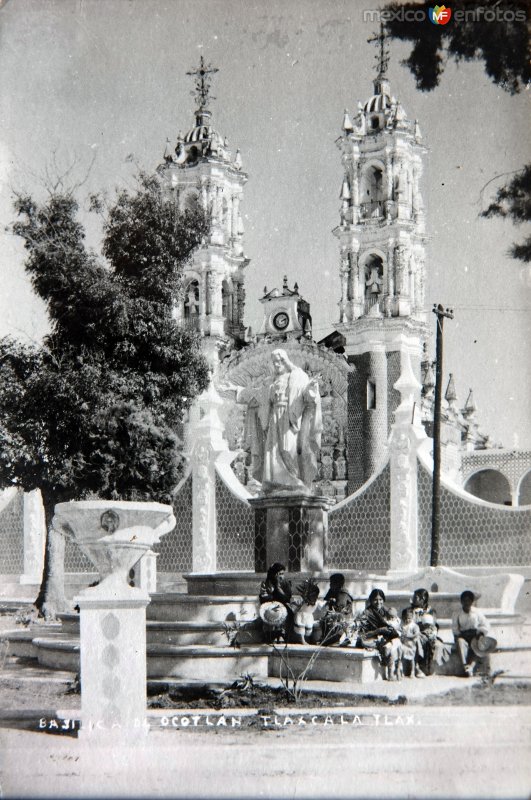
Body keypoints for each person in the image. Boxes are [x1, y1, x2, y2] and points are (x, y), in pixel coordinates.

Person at [218, 349, 322, 495]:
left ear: (286, 361)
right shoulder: (271, 381)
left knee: (288, 449)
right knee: (271, 451)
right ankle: (275, 483)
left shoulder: (297, 376)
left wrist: (312, 389)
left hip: (289, 420)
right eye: (275, 362)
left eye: (280, 361)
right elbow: (256, 394)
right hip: (274, 419)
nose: (277, 364)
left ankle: (294, 480)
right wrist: (235, 389)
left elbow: (307, 396)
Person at [356, 589, 402, 681]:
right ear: (371, 600)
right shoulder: (366, 613)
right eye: (375, 599)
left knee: (395, 644)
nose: (378, 602)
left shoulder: (386, 611)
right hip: (370, 639)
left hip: (385, 638)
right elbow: (363, 634)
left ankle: (395, 671)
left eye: (380, 599)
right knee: (387, 646)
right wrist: (379, 630)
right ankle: (390, 672)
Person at [452, 590, 494, 677]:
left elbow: (485, 624)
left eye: (468, 600)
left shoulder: (477, 612)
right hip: (463, 636)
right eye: (464, 600)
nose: (466, 603)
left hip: (475, 635)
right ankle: (464, 666)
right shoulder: (457, 613)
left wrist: (481, 632)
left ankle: (471, 666)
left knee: (477, 644)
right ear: (461, 601)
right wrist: (460, 635)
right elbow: (455, 628)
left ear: (472, 601)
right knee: (460, 642)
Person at [409, 588, 442, 677]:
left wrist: (431, 634)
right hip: (416, 634)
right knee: (418, 641)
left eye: (415, 597)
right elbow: (408, 624)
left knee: (437, 645)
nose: (413, 599)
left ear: (423, 598)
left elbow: (434, 626)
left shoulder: (431, 611)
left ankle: (430, 667)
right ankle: (417, 667)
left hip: (429, 634)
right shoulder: (410, 611)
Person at [258, 562, 293, 643]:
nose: (281, 576)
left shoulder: (285, 583)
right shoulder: (267, 583)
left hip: (283, 606)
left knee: (287, 613)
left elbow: (287, 598)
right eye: (279, 574)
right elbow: (263, 599)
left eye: (282, 574)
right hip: (270, 606)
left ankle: (282, 634)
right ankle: (272, 635)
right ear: (274, 574)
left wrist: (277, 587)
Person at [320, 573, 354, 646]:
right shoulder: (334, 591)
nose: (330, 585)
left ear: (337, 584)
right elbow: (327, 599)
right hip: (337, 615)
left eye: (331, 583)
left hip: (343, 618)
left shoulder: (342, 594)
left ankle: (332, 639)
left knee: (328, 619)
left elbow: (339, 608)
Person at [400, 607, 423, 678]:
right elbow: (400, 633)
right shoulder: (403, 625)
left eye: (409, 618)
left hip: (411, 644)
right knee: (402, 658)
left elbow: (416, 634)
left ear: (412, 617)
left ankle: (412, 672)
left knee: (412, 659)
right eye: (405, 618)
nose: (407, 620)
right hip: (404, 644)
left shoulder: (414, 626)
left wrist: (410, 635)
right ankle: (402, 671)